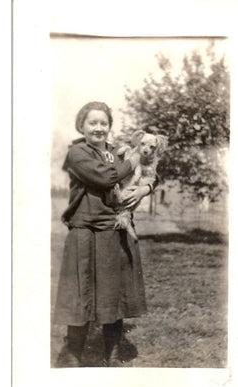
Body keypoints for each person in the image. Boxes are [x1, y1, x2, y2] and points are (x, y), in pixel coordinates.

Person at [53, 101, 156, 367]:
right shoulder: (76, 153)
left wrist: (145, 189)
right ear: (82, 126)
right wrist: (132, 159)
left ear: (110, 127)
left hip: (113, 229)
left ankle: (111, 354)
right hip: (84, 230)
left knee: (113, 294)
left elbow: (151, 169)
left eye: (104, 123)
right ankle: (74, 356)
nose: (99, 128)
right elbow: (105, 177)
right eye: (92, 123)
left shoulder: (117, 151)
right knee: (80, 294)